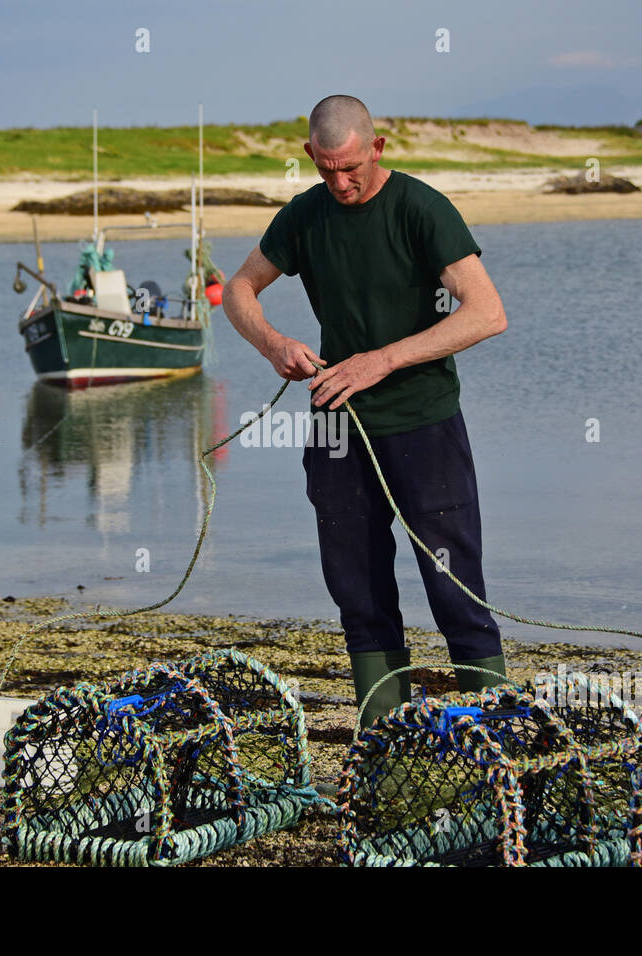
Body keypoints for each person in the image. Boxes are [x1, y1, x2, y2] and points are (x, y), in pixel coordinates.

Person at [222, 94, 509, 730]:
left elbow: (487, 312)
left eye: (351, 166)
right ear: (310, 158)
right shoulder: (303, 216)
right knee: (359, 593)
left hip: (423, 422)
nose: (341, 182)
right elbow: (237, 289)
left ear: (377, 148)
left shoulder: (421, 208)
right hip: (335, 423)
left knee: (454, 589)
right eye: (326, 170)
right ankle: (383, 746)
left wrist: (380, 360)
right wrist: (273, 343)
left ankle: (499, 746)